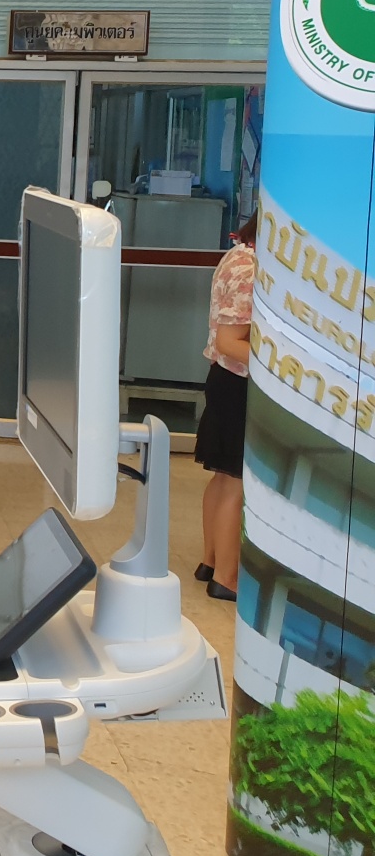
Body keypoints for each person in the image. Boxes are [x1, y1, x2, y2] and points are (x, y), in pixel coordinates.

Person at [194, 209, 257, 602]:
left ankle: (210, 561)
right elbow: (229, 341)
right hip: (238, 384)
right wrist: (280, 363)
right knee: (236, 483)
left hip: (224, 380)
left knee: (222, 478)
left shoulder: (238, 254)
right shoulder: (251, 269)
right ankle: (227, 578)